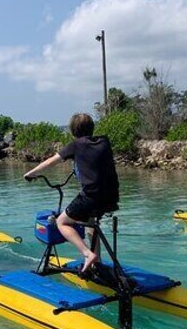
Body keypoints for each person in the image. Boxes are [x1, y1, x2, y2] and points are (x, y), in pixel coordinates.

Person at [23, 113, 119, 272]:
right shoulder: (104, 142)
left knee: (62, 222)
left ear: (73, 131)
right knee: (90, 223)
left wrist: (30, 174)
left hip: (91, 196)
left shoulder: (75, 145)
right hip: (110, 196)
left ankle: (87, 254)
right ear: (92, 128)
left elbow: (51, 161)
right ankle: (97, 263)